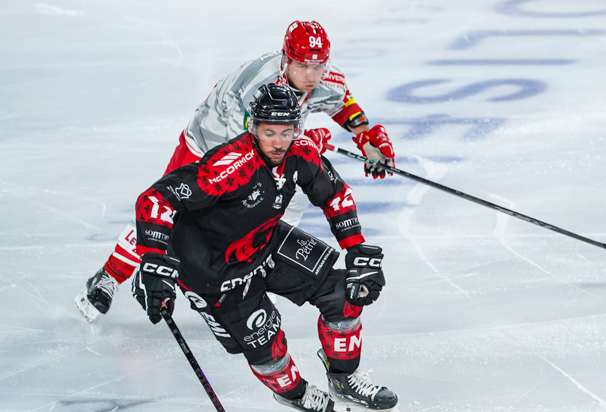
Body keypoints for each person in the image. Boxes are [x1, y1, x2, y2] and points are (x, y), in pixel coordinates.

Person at [76, 20, 396, 322]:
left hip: (267, 144)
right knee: (172, 211)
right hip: (208, 143)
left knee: (274, 208)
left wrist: (367, 139)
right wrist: (304, 141)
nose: (311, 74)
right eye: (302, 65)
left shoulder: (327, 76)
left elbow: (342, 103)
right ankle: (110, 275)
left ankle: (252, 271)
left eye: (318, 66)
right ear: (286, 60)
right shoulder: (259, 85)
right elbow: (248, 148)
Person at [131, 82, 398, 412]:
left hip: (265, 241)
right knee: (269, 356)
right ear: (252, 127)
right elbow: (155, 198)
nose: (278, 142)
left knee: (346, 291)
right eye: (269, 132)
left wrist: (356, 248)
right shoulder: (230, 167)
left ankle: (344, 381)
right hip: (212, 272)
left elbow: (334, 194)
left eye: (286, 132)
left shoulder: (300, 152)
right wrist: (154, 260)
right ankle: (295, 394)